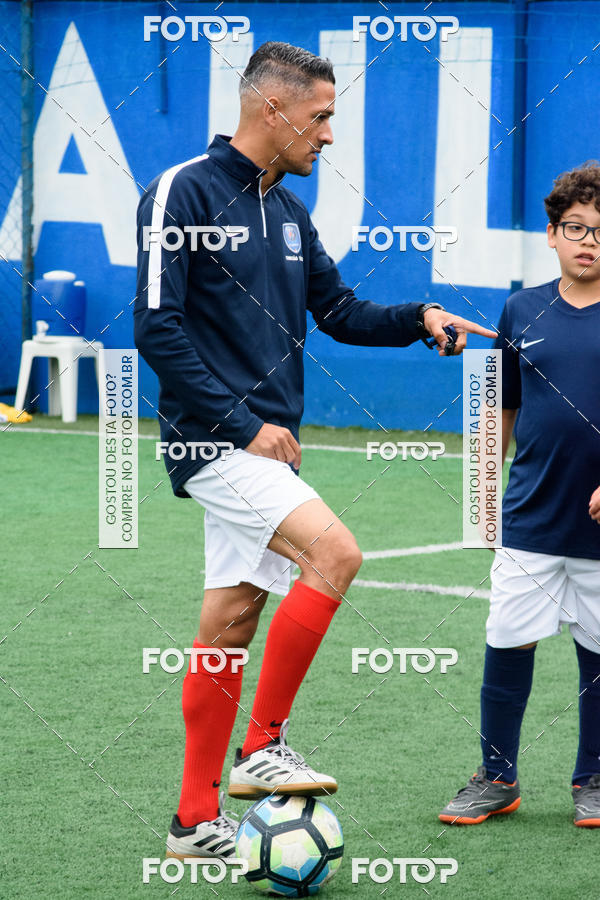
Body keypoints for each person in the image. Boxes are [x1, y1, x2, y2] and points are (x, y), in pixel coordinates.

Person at [134, 40, 495, 860]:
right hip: (216, 443)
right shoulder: (181, 192)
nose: (328, 137)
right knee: (335, 553)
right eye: (321, 117)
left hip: (266, 449)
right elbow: (156, 327)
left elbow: (338, 310)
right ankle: (262, 747)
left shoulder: (288, 212)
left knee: (229, 624)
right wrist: (239, 423)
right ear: (273, 109)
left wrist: (417, 318)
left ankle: (193, 822)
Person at [440, 162, 600, 828]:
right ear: (552, 234)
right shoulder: (521, 309)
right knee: (508, 640)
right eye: (576, 228)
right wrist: (487, 486)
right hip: (531, 515)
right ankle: (497, 777)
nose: (589, 241)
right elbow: (504, 408)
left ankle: (593, 779)